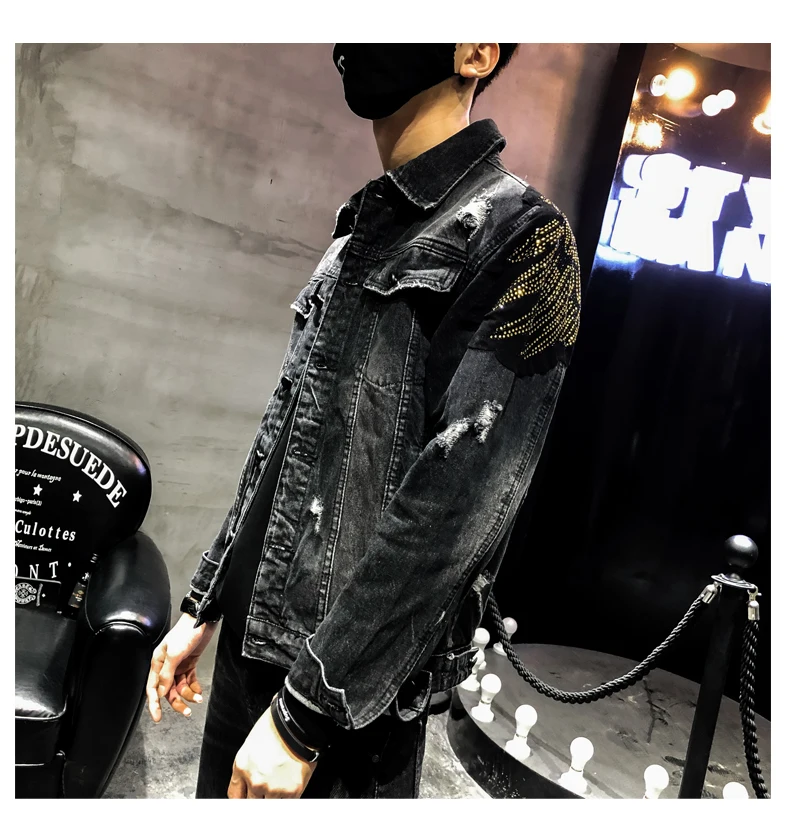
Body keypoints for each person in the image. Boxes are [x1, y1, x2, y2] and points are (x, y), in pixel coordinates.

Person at [146, 43, 581, 799]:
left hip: (342, 700)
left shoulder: (524, 238)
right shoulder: (361, 227)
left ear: (477, 50)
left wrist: (305, 715)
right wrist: (205, 602)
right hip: (255, 640)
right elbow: (284, 437)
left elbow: (452, 514)